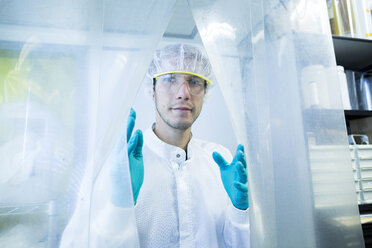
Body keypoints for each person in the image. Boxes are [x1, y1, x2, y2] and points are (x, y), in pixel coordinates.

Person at [60, 43, 250, 248]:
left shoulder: (220, 160)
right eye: (170, 79)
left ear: (205, 92)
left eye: (194, 81)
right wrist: (119, 206)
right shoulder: (117, 163)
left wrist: (240, 212)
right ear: (151, 90)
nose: (183, 93)